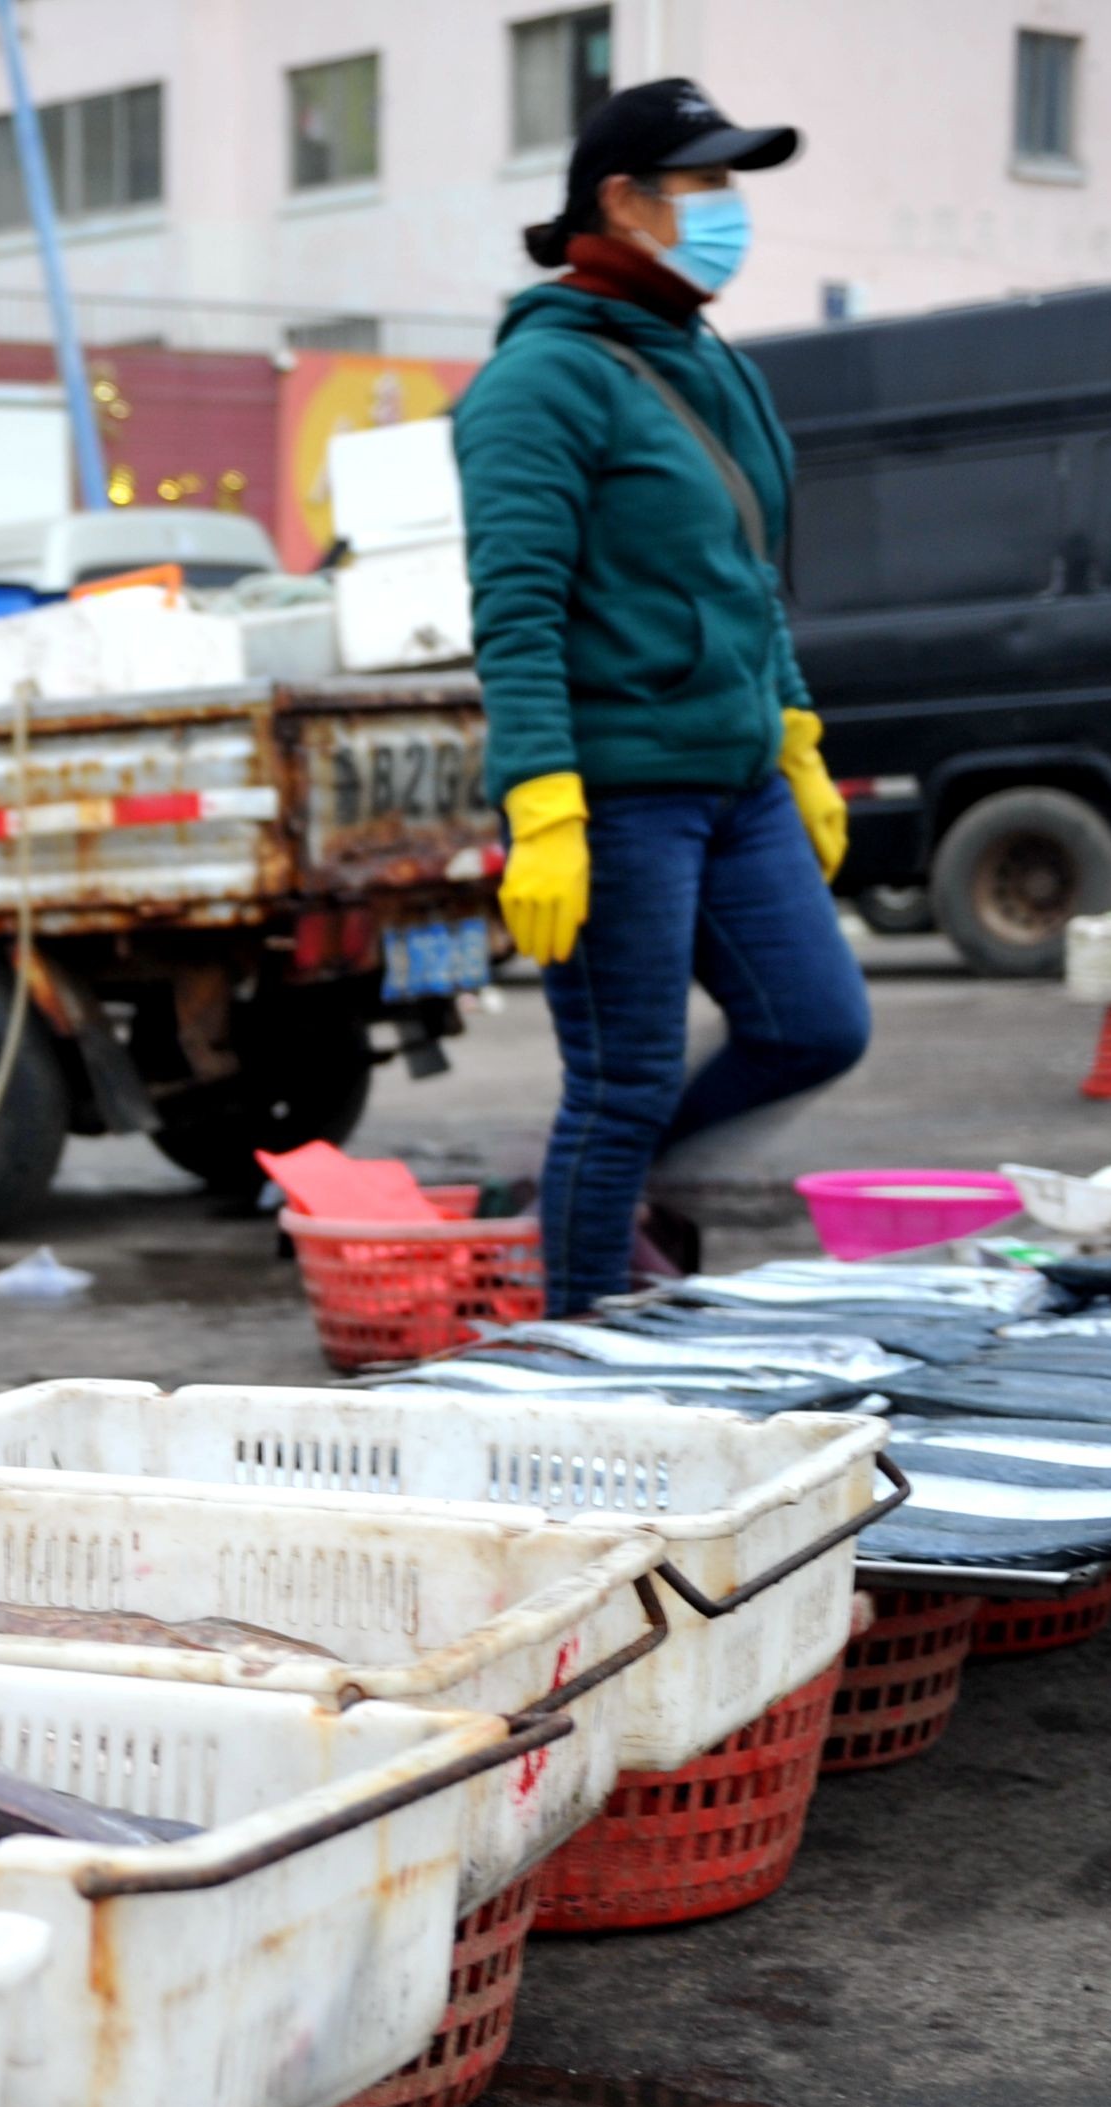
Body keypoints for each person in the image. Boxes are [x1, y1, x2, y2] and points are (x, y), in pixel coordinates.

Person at [455, 75, 870, 1313]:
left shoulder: (702, 358)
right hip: (619, 795)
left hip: (736, 782)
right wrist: (540, 803)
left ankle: (600, 1189)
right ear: (623, 201)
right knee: (620, 1081)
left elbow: (744, 578)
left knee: (814, 1024)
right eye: (707, 183)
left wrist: (791, 734)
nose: (728, 207)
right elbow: (514, 618)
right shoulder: (539, 384)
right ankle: (579, 1355)